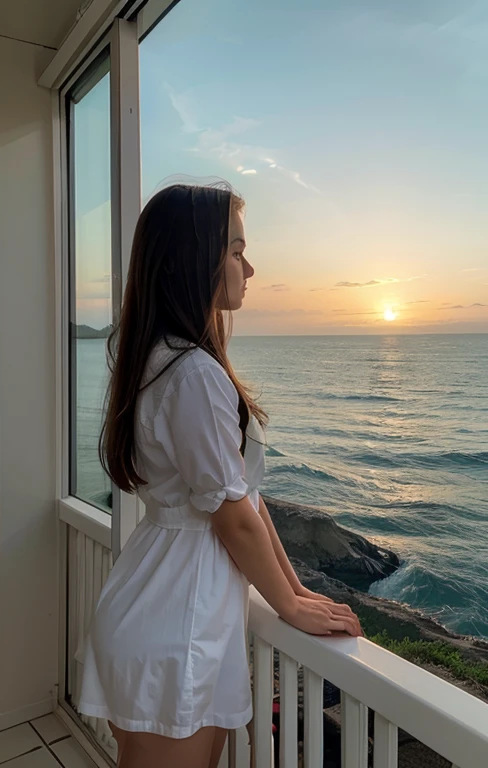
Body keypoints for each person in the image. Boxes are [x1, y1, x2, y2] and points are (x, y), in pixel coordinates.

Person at [77, 181, 362, 768]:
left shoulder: (163, 358)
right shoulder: (193, 374)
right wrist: (289, 605)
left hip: (166, 606)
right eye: (236, 251)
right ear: (196, 260)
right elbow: (233, 518)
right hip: (177, 626)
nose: (250, 267)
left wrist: (297, 590)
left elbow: (246, 499)